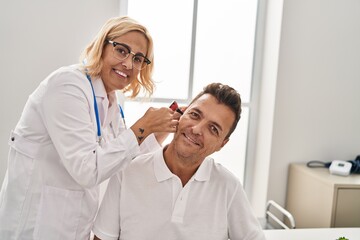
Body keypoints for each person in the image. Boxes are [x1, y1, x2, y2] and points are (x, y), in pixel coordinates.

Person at [0, 16, 181, 239]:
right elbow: (87, 170)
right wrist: (143, 126)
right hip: (36, 226)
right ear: (102, 45)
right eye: (122, 50)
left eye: (138, 59)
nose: (128, 64)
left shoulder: (112, 104)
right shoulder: (67, 85)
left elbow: (120, 164)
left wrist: (158, 132)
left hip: (75, 228)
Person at [92, 83, 266, 240]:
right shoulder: (127, 172)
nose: (197, 129)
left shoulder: (228, 187)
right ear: (180, 115)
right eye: (195, 115)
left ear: (222, 144)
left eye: (213, 129)